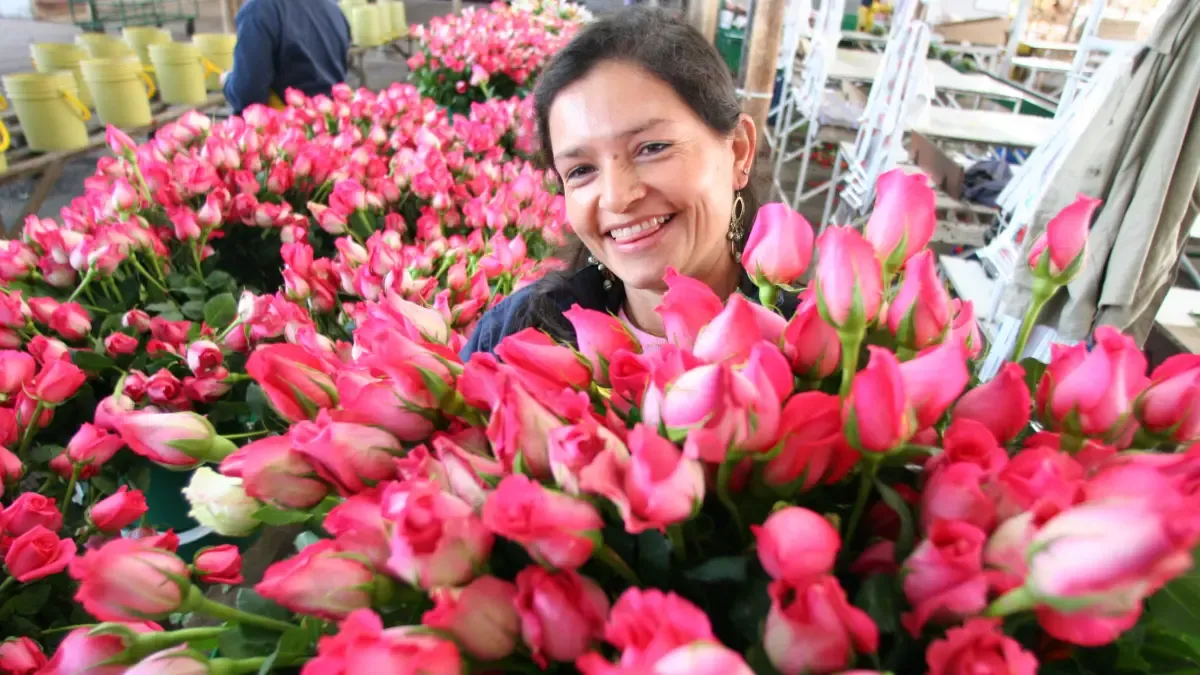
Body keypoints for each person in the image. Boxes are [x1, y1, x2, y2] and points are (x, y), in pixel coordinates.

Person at [461, 7, 795, 359]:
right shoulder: (512, 338)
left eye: (652, 148)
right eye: (581, 170)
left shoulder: (819, 358)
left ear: (739, 150)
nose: (617, 198)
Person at [221, 0, 351, 114]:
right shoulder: (333, 8)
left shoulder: (258, 10)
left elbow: (248, 94)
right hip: (333, 126)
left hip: (289, 133)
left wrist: (227, 82)